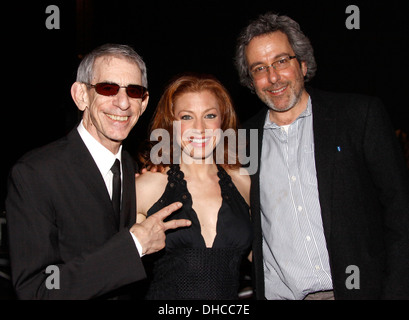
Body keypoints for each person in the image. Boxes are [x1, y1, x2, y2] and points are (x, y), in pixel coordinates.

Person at [235, 12, 409, 300]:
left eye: (281, 61)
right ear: (251, 81)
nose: (273, 77)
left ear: (302, 64)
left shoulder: (359, 117)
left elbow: (400, 215)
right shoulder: (243, 141)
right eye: (259, 68)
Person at [5, 44, 190, 300]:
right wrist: (134, 245)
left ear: (144, 102)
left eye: (134, 91)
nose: (123, 103)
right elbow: (36, 289)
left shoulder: (129, 165)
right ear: (81, 95)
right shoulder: (35, 174)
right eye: (108, 88)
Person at [135, 74, 252, 299]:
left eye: (210, 115)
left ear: (223, 121)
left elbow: (265, 257)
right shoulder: (147, 186)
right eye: (187, 117)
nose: (200, 128)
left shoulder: (243, 181)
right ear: (172, 124)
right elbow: (113, 262)